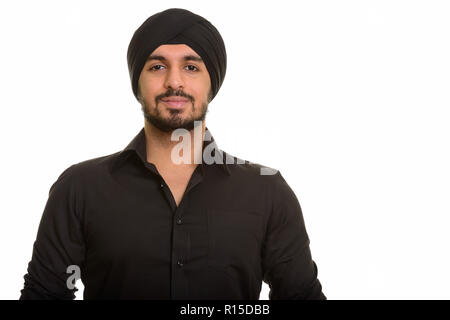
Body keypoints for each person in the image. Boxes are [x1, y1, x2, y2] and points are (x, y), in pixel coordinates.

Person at [20, 8, 326, 300]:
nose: (174, 81)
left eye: (191, 67)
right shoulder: (80, 188)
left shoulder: (267, 191)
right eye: (157, 66)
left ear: (212, 83)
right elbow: (45, 294)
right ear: (137, 83)